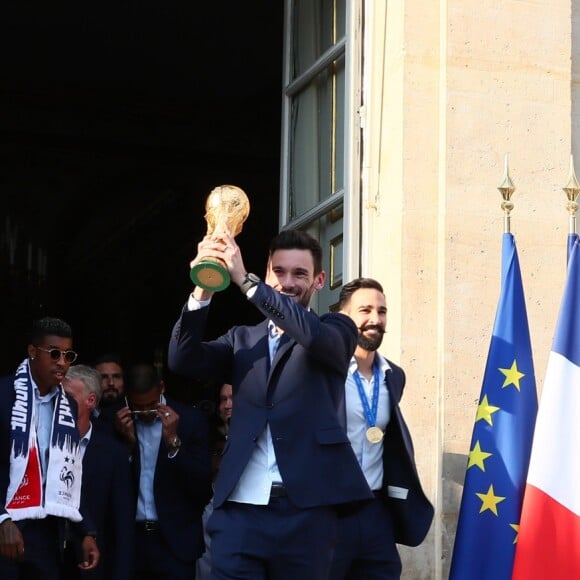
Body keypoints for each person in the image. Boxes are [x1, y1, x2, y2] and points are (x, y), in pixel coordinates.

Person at [168, 228, 373, 580]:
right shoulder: (241, 339)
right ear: (268, 274)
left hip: (307, 513)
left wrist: (247, 283)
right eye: (278, 272)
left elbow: (310, 335)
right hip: (240, 512)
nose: (287, 282)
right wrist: (204, 283)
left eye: (300, 274)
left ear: (320, 280)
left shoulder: (336, 329)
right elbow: (182, 359)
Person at [331, 278, 434, 579]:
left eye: (382, 311)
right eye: (365, 310)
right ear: (343, 316)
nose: (375, 319)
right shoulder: (327, 371)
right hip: (330, 510)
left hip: (376, 510)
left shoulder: (394, 375)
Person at [0, 317, 99, 579]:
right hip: (6, 527)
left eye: (69, 355)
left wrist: (86, 532)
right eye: (54, 353)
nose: (62, 362)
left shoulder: (69, 405)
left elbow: (70, 472)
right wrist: (2, 519)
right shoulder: (4, 395)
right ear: (32, 352)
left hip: (47, 530)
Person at [114, 363, 212, 580]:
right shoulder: (117, 422)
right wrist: (127, 447)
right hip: (132, 540)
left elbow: (202, 488)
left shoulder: (191, 421)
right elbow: (111, 485)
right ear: (127, 398)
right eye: (138, 407)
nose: (146, 413)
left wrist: (174, 443)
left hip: (176, 542)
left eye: (152, 404)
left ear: (162, 388)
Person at [62, 365, 134, 580]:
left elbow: (122, 524)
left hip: (92, 566)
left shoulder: (112, 452)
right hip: (46, 562)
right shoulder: (42, 443)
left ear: (91, 400)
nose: (59, 403)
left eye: (67, 396)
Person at [196, 382, 232, 580]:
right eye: (223, 399)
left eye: (232, 398)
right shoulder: (210, 434)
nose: (227, 405)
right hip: (214, 508)